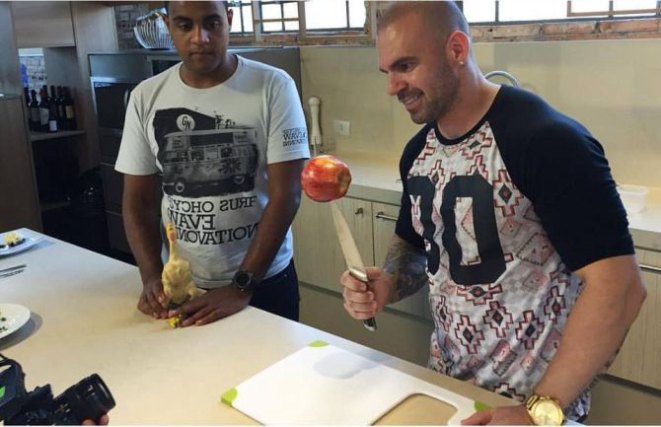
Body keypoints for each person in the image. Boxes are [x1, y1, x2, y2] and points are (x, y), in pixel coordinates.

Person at [340, 2, 646, 425]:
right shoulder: (418, 153)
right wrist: (388, 283)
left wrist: (538, 411)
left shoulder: (546, 141)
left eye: (406, 66)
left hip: (532, 407)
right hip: (447, 389)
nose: (393, 87)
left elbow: (620, 288)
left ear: (457, 49)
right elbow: (415, 242)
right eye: (387, 72)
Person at [115, 1, 309, 327]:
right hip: (184, 285)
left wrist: (241, 285)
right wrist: (151, 277)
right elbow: (138, 200)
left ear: (228, 19)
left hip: (264, 283)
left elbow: (287, 194)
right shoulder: (145, 97)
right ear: (167, 24)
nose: (200, 38)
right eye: (185, 25)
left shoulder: (274, 86)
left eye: (212, 24)